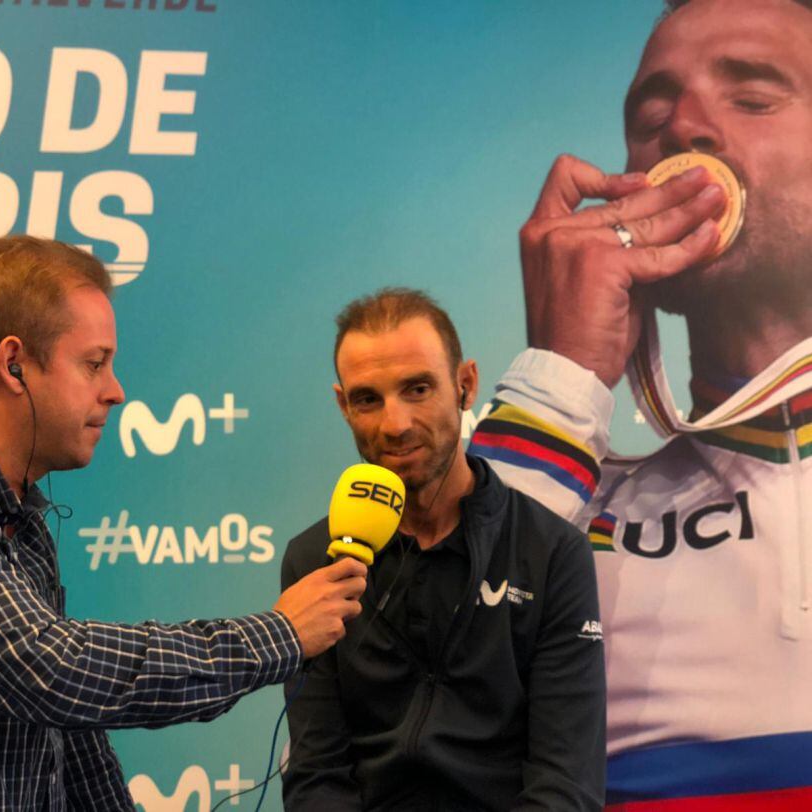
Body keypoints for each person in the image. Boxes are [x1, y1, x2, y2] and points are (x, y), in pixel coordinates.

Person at [0, 235, 368, 811]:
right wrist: (278, 635)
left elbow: (73, 736)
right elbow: (50, 672)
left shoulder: (20, 521)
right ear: (14, 365)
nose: (115, 391)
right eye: (94, 364)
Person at [469, 0, 812, 806]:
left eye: (754, 98)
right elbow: (427, 737)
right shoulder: (572, 515)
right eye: (652, 114)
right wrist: (556, 384)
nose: (685, 127)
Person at [281, 288, 606, 811]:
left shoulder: (552, 551)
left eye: (417, 389)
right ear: (343, 405)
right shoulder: (314, 557)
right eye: (369, 398)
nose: (396, 424)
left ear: (465, 384)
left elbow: (566, 783)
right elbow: (317, 773)